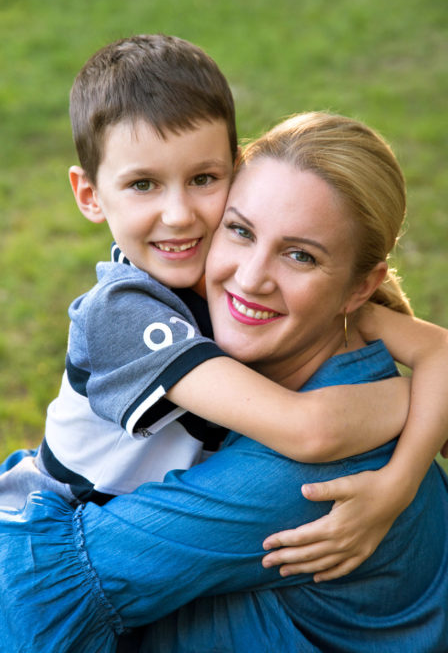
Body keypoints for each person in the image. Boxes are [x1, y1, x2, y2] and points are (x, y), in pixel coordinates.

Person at [1, 112, 448, 652]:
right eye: (240, 230)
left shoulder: (319, 478)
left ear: (360, 288)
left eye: (300, 255)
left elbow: (38, 594)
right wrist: (407, 396)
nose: (251, 277)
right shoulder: (243, 342)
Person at [0, 34, 411, 508]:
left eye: (202, 179)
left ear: (236, 171)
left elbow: (437, 349)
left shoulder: (238, 284)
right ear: (90, 195)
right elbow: (308, 429)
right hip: (42, 532)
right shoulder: (119, 313)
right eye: (143, 184)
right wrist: (421, 401)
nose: (178, 214)